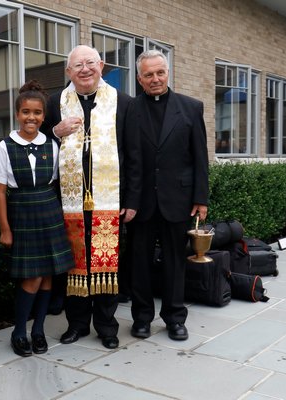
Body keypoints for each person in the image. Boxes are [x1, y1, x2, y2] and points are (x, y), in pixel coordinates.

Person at [41, 45, 140, 349]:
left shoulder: (123, 103)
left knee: (106, 261)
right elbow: (39, 143)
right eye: (77, 65)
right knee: (74, 263)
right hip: (69, 201)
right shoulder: (55, 103)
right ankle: (77, 324)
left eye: (89, 63)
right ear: (68, 72)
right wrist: (55, 130)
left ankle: (107, 327)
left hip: (109, 199)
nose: (84, 69)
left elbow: (135, 155)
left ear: (102, 65)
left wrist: (132, 199)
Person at [0, 80, 75, 357]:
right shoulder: (4, 147)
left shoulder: (51, 143)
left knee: (47, 276)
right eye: (26, 112)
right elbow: (0, 192)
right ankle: (19, 331)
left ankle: (38, 331)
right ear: (17, 114)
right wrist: (5, 229)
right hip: (22, 212)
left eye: (37, 113)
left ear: (43, 116)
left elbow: (57, 184)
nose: (31, 118)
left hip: (49, 211)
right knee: (31, 277)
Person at [126, 50, 209, 341]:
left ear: (168, 73)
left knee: (176, 262)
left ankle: (175, 318)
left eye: (160, 72)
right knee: (140, 264)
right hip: (140, 203)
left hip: (179, 201)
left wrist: (201, 198)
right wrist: (127, 201)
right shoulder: (129, 110)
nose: (155, 79)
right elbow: (125, 158)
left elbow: (200, 157)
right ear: (140, 79)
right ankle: (142, 318)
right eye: (148, 75)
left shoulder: (191, 107)